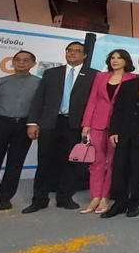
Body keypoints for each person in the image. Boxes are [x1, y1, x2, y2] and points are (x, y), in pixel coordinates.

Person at [23, 41, 95, 213]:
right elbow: (39, 98)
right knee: (44, 162)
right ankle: (39, 200)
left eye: (77, 51)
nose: (72, 53)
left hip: (75, 125)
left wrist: (89, 125)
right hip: (50, 123)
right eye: (70, 50)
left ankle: (65, 198)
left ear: (84, 55)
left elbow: (94, 103)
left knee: (71, 164)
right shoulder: (51, 73)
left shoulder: (93, 75)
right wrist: (33, 122)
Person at [0, 50, 40, 212]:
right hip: (1, 123)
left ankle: (5, 198)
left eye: (25, 60)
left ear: (33, 64)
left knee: (15, 163)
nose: (21, 63)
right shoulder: (1, 82)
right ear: (13, 62)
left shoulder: (39, 83)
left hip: (24, 125)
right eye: (18, 59)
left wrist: (36, 124)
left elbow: (40, 107)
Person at [80, 49, 138, 214]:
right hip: (98, 123)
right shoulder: (100, 77)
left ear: (126, 61)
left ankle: (105, 197)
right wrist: (86, 124)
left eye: (119, 58)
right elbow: (92, 100)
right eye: (112, 58)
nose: (115, 60)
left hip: (119, 125)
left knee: (113, 163)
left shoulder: (133, 78)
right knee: (96, 162)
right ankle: (95, 196)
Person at [102, 53, 139, 218]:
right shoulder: (128, 84)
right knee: (119, 170)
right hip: (124, 134)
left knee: (138, 171)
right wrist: (114, 131)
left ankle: (134, 203)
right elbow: (118, 110)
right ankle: (119, 203)